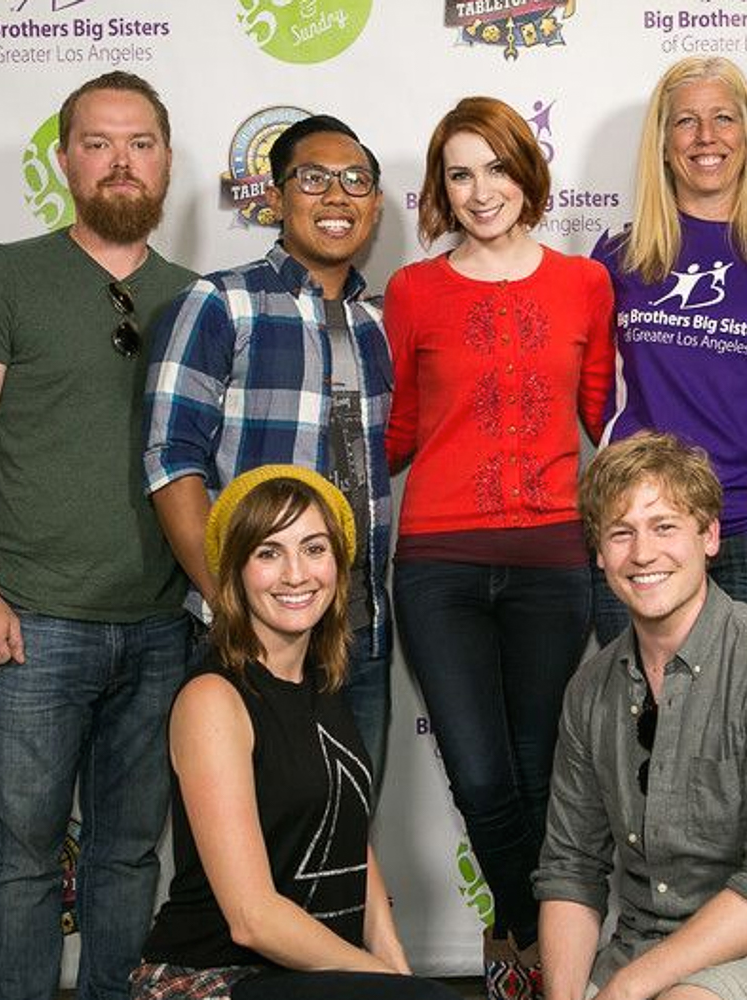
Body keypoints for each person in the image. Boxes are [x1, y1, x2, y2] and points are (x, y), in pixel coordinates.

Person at [0, 71, 194, 1000]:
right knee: (24, 864)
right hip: (30, 627)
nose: (121, 162)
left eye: (140, 144)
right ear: (66, 159)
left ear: (166, 161)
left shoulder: (197, 298)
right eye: (98, 143)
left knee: (127, 859)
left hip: (163, 628)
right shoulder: (4, 276)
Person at [384, 95, 615, 999]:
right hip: (436, 562)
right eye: (459, 173)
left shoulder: (583, 284)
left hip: (554, 561)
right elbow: (396, 428)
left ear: (528, 173)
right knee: (481, 777)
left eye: (497, 167)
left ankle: (528, 955)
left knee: (542, 771)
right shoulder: (411, 291)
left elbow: (606, 415)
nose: (481, 191)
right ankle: (540, 943)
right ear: (441, 189)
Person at [534, 431, 747, 1000]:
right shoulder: (589, 689)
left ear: (709, 536)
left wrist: (631, 987)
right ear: (599, 554)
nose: (642, 554)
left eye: (664, 527)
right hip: (640, 946)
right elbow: (571, 869)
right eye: (620, 533)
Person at [131, 466, 458, 1000]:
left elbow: (353, 844)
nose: (296, 574)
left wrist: (396, 970)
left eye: (313, 549)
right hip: (210, 979)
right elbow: (252, 919)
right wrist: (387, 984)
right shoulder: (214, 699)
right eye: (268, 553)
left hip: (313, 978)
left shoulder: (324, 684)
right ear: (234, 570)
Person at [143, 114, 394, 776]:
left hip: (358, 631)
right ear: (276, 199)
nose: (337, 196)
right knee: (249, 841)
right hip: (249, 629)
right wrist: (232, 611)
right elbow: (171, 463)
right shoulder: (222, 304)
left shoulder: (383, 326)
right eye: (313, 178)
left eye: (356, 180)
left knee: (344, 841)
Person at [590, 56, 747, 645]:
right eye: (686, 122)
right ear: (663, 142)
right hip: (637, 525)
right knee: (636, 720)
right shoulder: (617, 255)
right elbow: (594, 390)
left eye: (724, 118)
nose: (706, 137)